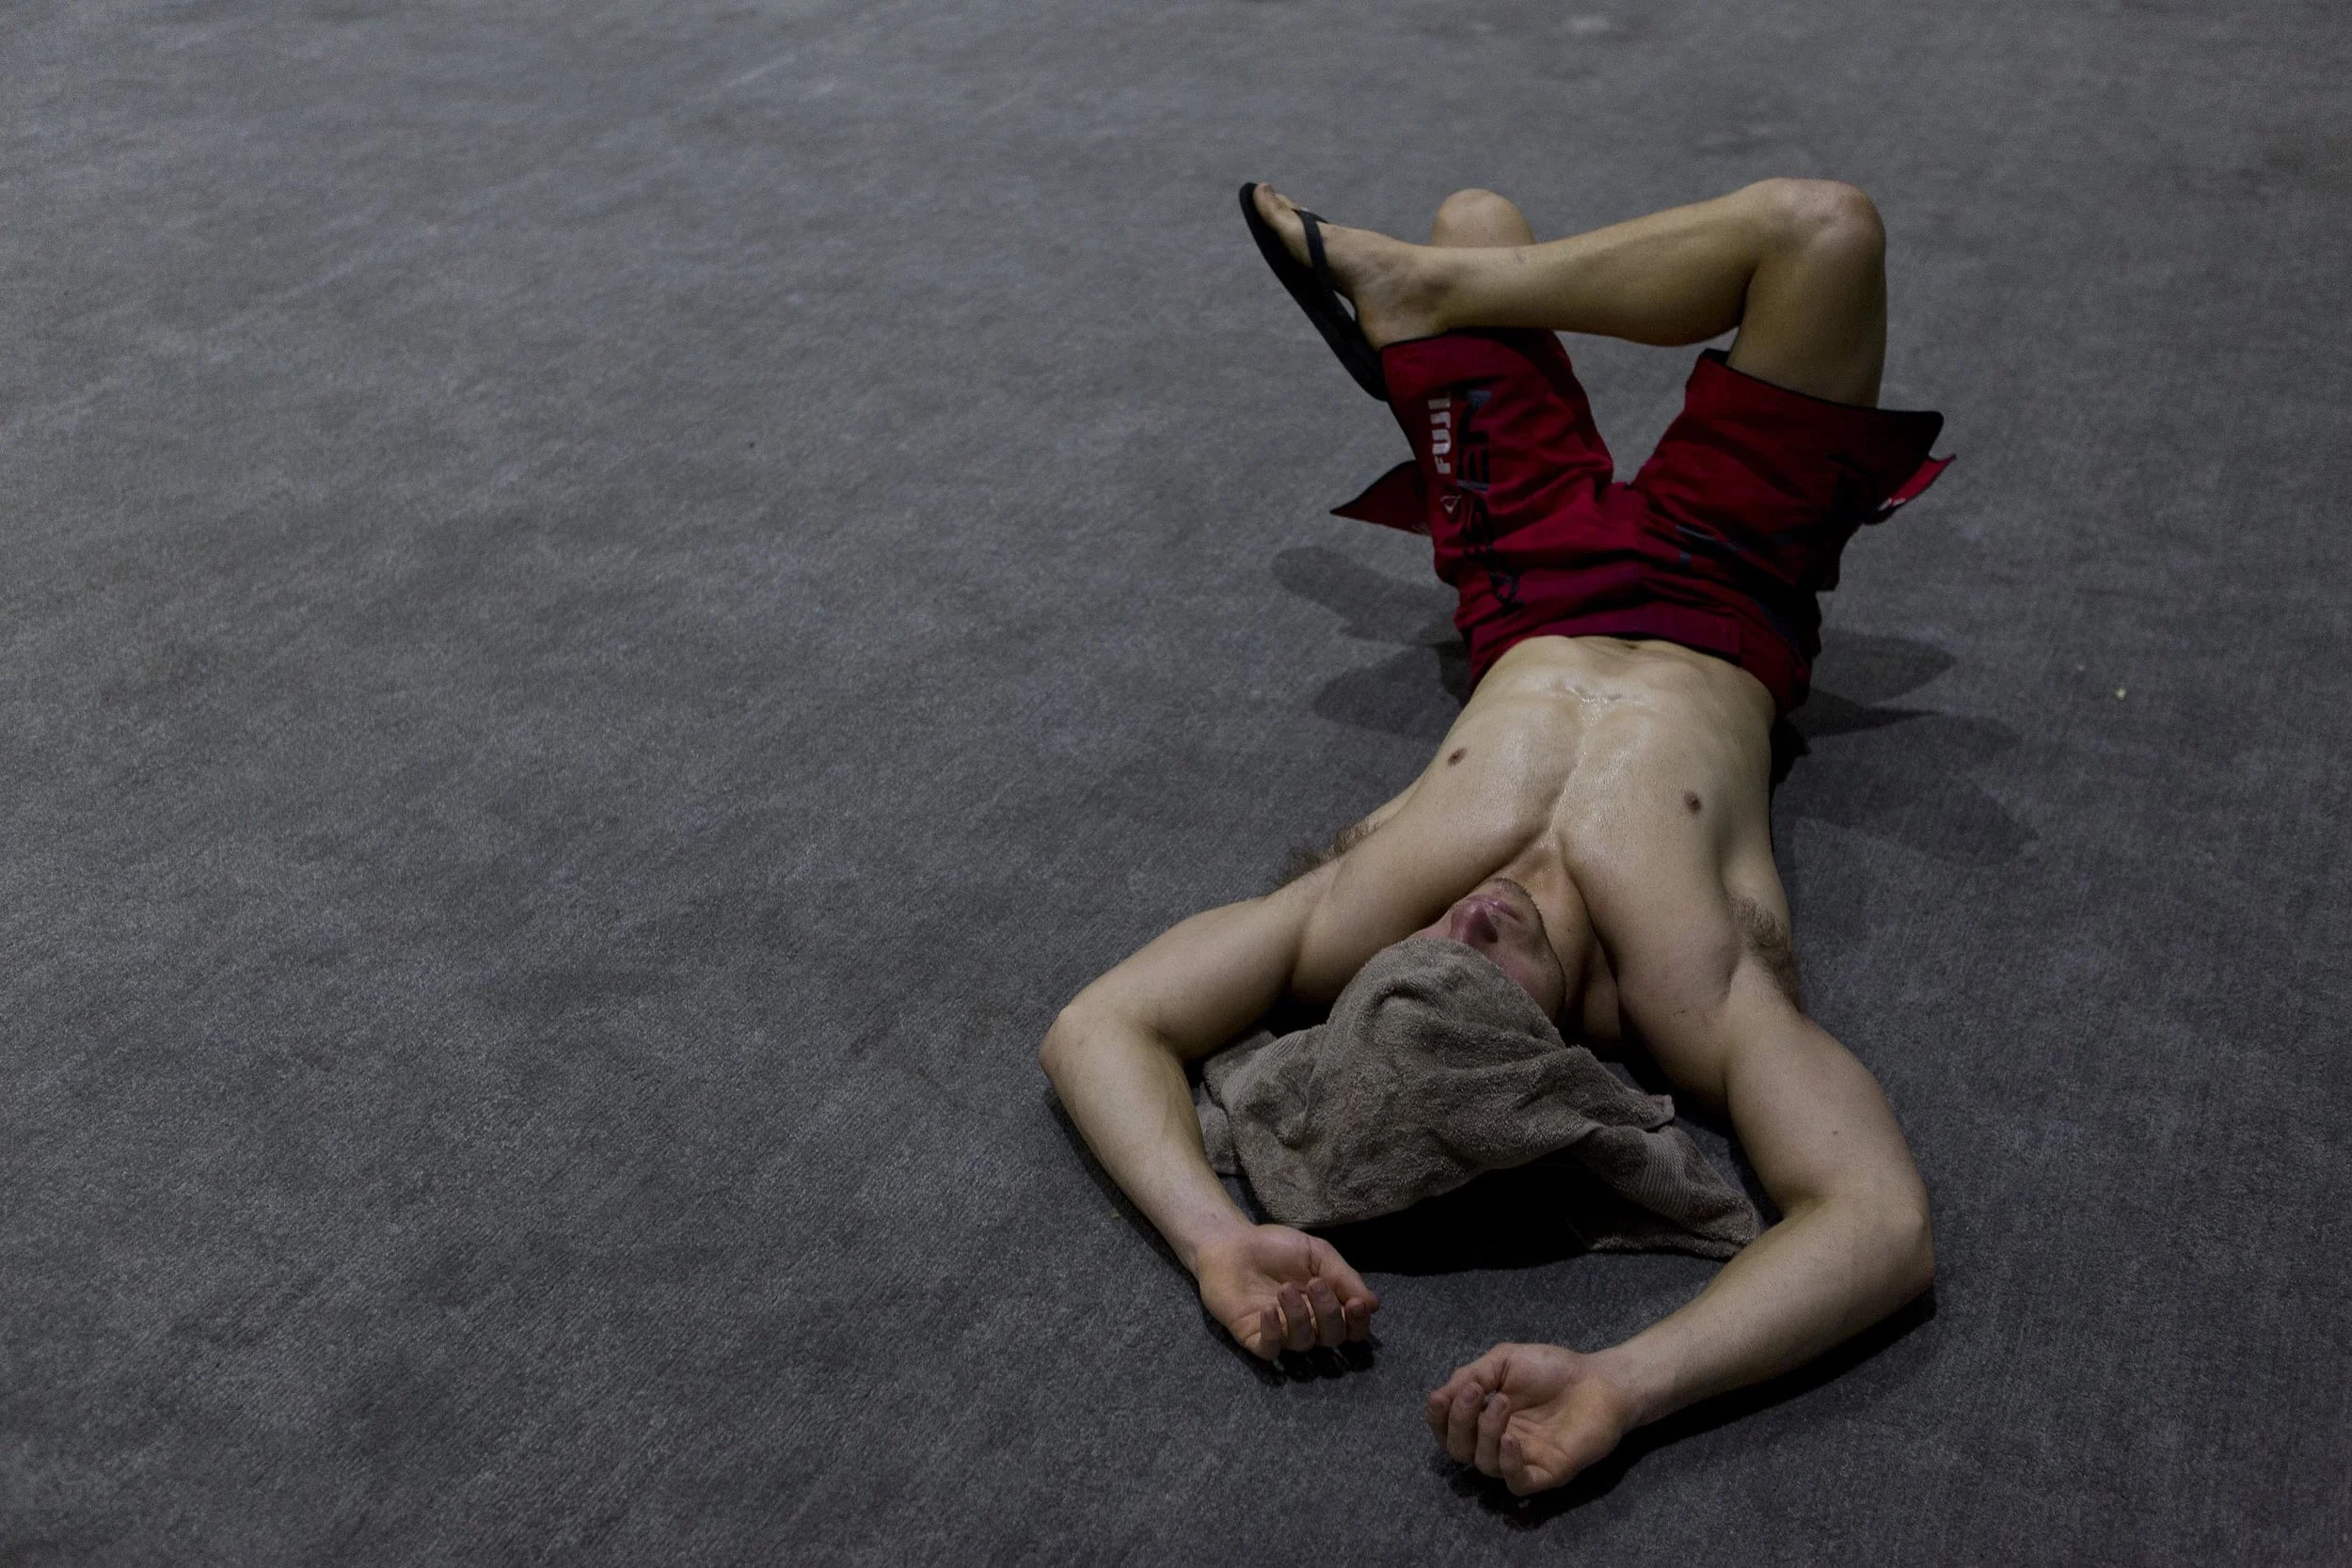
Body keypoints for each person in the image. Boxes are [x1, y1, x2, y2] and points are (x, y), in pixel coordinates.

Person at [1039, 177, 1948, 1497]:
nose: (1464, 920)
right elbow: (1880, 1219)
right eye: (1481, 980)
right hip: (1727, 581)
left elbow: (1096, 1024)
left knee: (1473, 217)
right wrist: (1627, 1382)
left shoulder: (1369, 911)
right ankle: (1429, 297)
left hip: (1527, 576)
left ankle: (1439, 287)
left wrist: (1212, 1238)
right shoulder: (1689, 987)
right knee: (1826, 233)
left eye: (1422, 955)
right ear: (1545, 1051)